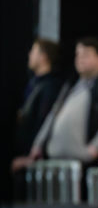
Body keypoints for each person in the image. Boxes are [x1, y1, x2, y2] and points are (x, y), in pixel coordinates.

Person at [29, 37, 98, 168]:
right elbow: (53, 114)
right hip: (57, 162)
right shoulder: (70, 86)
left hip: (88, 166)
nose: (80, 59)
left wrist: (94, 149)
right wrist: (38, 144)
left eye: (86, 54)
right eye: (78, 54)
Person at [11, 38, 63, 173]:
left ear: (43, 56)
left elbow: (44, 124)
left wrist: (30, 157)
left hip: (34, 161)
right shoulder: (35, 83)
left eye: (33, 51)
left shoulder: (50, 87)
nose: (29, 55)